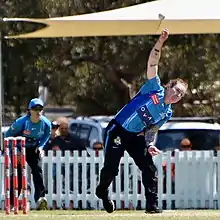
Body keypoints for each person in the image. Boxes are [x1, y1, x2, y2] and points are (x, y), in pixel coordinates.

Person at [95, 29, 188, 214]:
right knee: (111, 170)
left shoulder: (167, 112)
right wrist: (160, 42)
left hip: (137, 137)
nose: (177, 95)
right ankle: (102, 191)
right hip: (119, 130)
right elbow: (153, 62)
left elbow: (152, 129)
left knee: (149, 169)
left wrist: (150, 144)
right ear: (168, 86)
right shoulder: (154, 88)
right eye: (176, 90)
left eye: (181, 94)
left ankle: (152, 207)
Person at [5, 98, 51, 210]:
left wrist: (40, 146)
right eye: (35, 109)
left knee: (37, 171)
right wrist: (14, 151)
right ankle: (12, 202)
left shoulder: (46, 123)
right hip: (19, 148)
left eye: (40, 109)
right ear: (29, 110)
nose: (38, 111)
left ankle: (40, 199)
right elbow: (8, 135)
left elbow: (46, 136)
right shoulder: (21, 123)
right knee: (19, 174)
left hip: (33, 148)